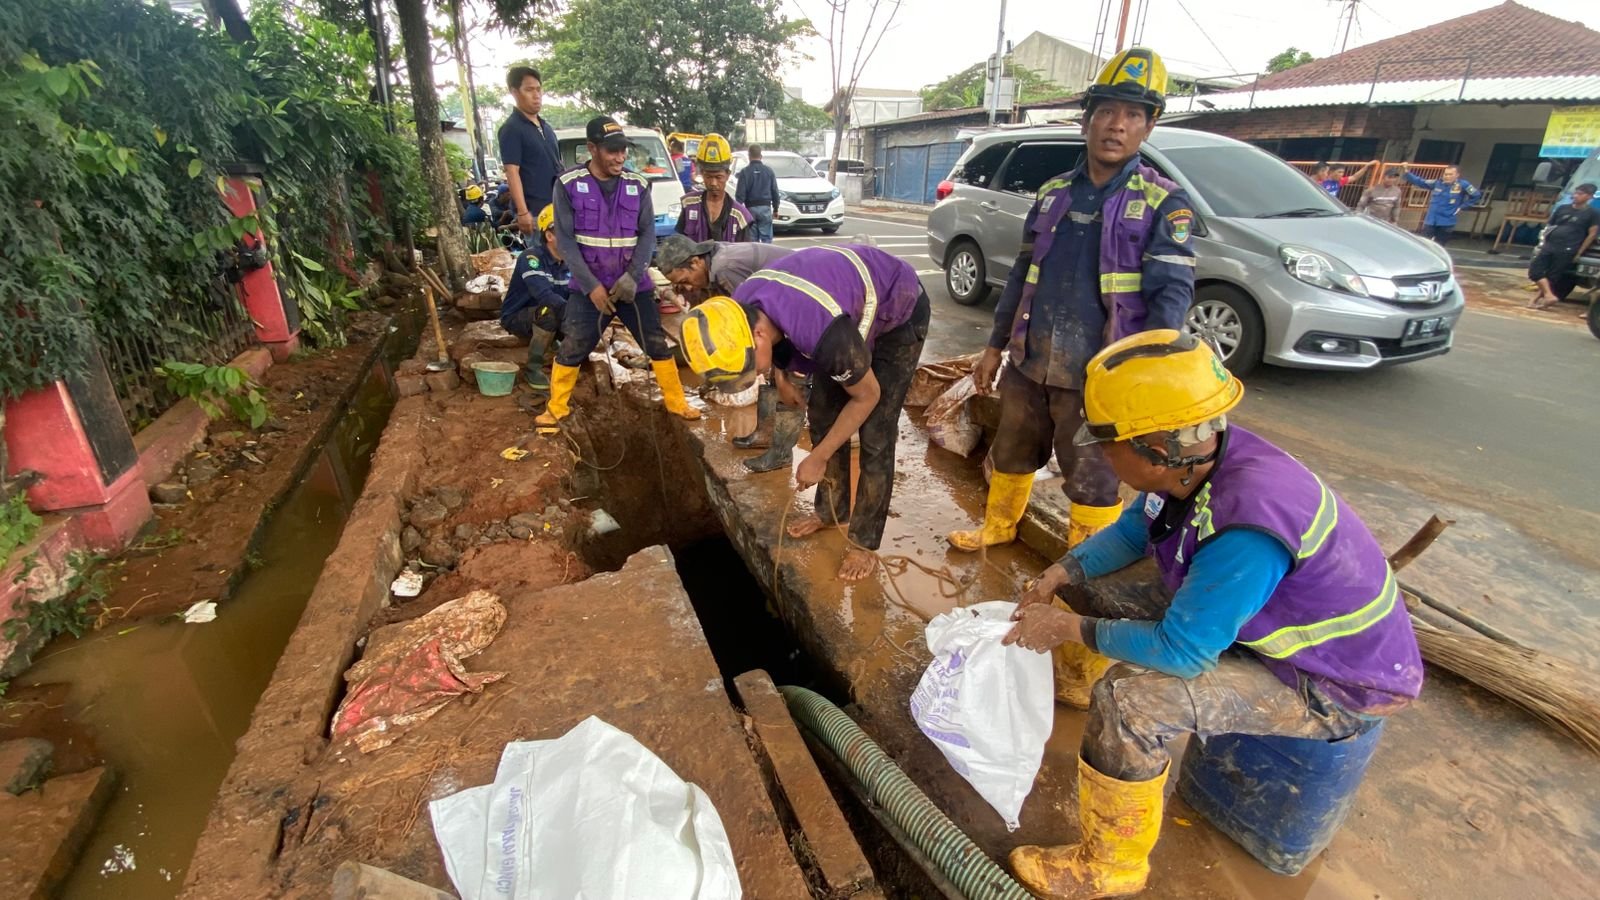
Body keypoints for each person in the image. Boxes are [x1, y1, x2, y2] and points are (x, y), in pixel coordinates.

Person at [1001, 329, 1422, 900]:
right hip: (1267, 621)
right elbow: (1134, 530)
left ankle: (1113, 865)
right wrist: (1063, 572)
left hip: (1331, 683)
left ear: (1158, 444)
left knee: (1130, 702)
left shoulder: (1246, 523)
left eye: (1108, 441)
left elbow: (1184, 652)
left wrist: (1066, 630)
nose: (1098, 453)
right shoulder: (1199, 458)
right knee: (1099, 593)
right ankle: (1087, 693)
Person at [947, 46, 1193, 558]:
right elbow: (1020, 275)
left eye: (1132, 115)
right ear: (1087, 120)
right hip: (1030, 362)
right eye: (1106, 111)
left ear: (1148, 127)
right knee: (1012, 451)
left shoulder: (1161, 201)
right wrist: (995, 346)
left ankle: (1085, 568)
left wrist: (1148, 376)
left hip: (1099, 377)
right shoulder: (1054, 192)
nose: (1116, 125)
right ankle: (999, 527)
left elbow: (1171, 295)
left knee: (1094, 476)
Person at [681, 245, 929, 580]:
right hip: (839, 313)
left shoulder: (818, 329)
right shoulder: (743, 306)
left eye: (750, 369)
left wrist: (819, 456)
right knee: (824, 411)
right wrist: (781, 378)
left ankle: (864, 541)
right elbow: (779, 343)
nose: (753, 377)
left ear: (758, 336)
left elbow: (867, 396)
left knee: (876, 432)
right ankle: (831, 512)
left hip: (898, 311)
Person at [538, 116, 701, 433]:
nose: (620, 157)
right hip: (589, 288)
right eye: (612, 151)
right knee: (574, 345)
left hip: (632, 285)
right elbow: (567, 243)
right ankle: (556, 409)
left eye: (623, 150)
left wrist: (631, 277)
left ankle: (675, 402)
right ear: (592, 149)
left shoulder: (637, 185)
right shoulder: (568, 185)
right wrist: (591, 287)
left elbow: (647, 236)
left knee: (655, 342)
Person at [658, 235, 798, 468]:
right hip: (777, 304)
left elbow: (743, 325)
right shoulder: (712, 267)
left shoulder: (725, 269)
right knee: (768, 368)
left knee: (783, 372)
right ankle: (766, 434)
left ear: (695, 262)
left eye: (685, 280)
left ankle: (781, 451)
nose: (687, 288)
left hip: (795, 302)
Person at [500, 205, 570, 390]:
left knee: (582, 315)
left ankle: (556, 343)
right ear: (549, 236)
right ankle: (533, 369)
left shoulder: (570, 262)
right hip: (519, 317)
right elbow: (544, 295)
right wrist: (572, 317)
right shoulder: (531, 258)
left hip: (555, 312)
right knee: (549, 311)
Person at [498, 65, 561, 240]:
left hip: (557, 209)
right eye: (529, 90)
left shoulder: (546, 127)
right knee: (543, 263)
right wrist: (522, 212)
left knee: (563, 263)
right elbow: (512, 172)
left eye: (539, 90)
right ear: (514, 92)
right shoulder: (512, 129)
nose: (536, 95)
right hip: (534, 213)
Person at [1529, 182, 1600, 309]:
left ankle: (1539, 299)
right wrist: (1544, 241)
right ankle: (1549, 295)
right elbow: (1550, 226)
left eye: (1580, 194)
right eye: (1576, 192)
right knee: (1535, 272)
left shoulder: (1593, 213)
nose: (1575, 196)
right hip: (1550, 244)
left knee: (1553, 275)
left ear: (1589, 196)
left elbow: (1592, 234)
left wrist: (1579, 252)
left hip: (1568, 248)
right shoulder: (1562, 209)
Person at [677, 134, 755, 244]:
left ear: (728, 175)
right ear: (702, 174)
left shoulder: (740, 216)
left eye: (718, 177)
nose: (713, 183)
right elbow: (679, 244)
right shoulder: (689, 205)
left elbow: (745, 255)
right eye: (708, 177)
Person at [1404, 165, 1482, 244]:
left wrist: (1462, 207)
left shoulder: (1463, 184)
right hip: (1431, 220)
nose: (1447, 176)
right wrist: (1407, 172)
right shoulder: (1437, 183)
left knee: (1440, 245)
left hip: (1447, 221)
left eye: (1450, 174)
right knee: (1424, 244)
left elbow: (1476, 195)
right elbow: (1420, 182)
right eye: (1446, 174)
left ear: (1457, 175)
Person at [735, 144, 782, 244]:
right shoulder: (769, 171)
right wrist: (776, 208)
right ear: (761, 156)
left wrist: (738, 212)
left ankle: (756, 259)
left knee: (753, 240)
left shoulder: (744, 172)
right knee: (767, 240)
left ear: (749, 156)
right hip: (765, 209)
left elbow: (740, 196)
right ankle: (768, 259)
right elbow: (774, 191)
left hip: (750, 210)